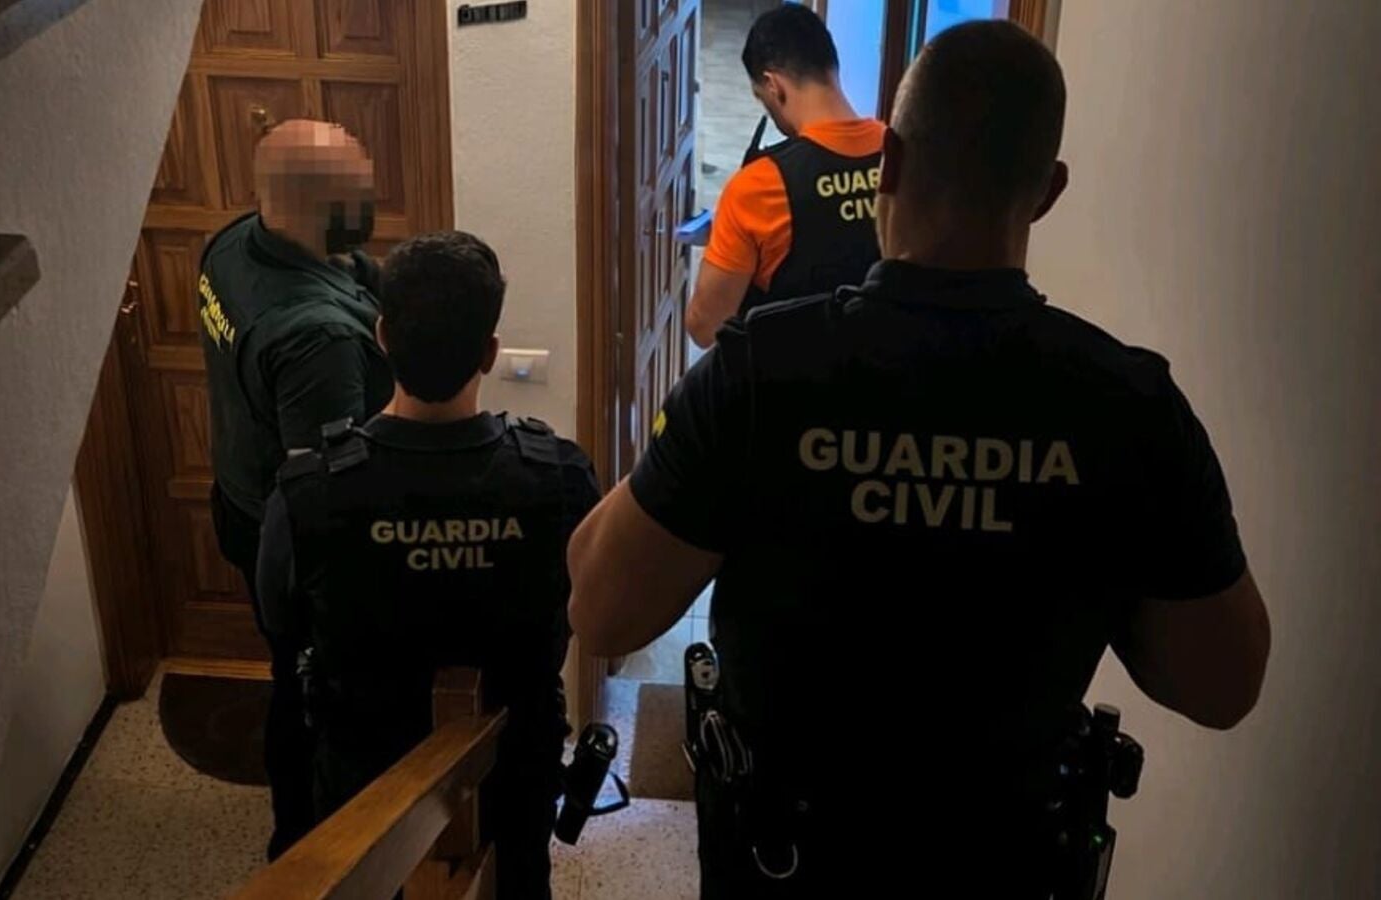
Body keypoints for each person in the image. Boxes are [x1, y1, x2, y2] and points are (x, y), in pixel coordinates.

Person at [568, 20, 1270, 898]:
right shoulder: (1127, 405)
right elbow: (1224, 685)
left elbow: (600, 613)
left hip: (790, 862)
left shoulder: (759, 375)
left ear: (889, 163)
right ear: (1048, 191)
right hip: (1004, 862)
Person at [257, 230, 602, 896]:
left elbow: (281, 625)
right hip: (514, 774)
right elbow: (582, 609)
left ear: (382, 337)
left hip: (363, 790)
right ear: (490, 352)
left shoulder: (309, 491)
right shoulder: (559, 477)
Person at [196, 119, 393, 859]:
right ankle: (304, 847)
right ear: (312, 207)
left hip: (240, 500)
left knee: (291, 671)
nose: (372, 198)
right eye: (356, 192)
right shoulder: (319, 340)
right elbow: (327, 494)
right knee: (311, 688)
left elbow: (349, 270)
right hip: (292, 542)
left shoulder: (232, 243)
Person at [686, 5, 887, 348]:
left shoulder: (757, 188)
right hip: (888, 370)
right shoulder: (907, 157)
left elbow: (705, 328)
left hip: (787, 377)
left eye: (761, 97)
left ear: (773, 85)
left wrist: (727, 240)